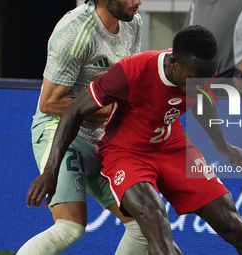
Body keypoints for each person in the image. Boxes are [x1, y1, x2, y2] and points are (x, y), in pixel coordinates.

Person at [26, 25, 242, 254]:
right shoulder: (132, 71)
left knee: (232, 223)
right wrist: (51, 170)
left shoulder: (199, 70)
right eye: (193, 80)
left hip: (173, 146)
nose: (199, 86)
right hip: (127, 154)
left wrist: (224, 147)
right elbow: (74, 110)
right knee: (155, 220)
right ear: (174, 63)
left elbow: (203, 104)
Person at [17, 0, 149, 254]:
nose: (138, 1)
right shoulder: (74, 32)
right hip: (61, 131)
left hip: (102, 137)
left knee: (144, 226)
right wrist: (112, 110)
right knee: (70, 227)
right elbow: (49, 103)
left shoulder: (134, 22)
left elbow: (127, 80)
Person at [184, 0, 242, 98]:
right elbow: (185, 42)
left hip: (232, 84)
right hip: (199, 86)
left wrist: (240, 74)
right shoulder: (198, 2)